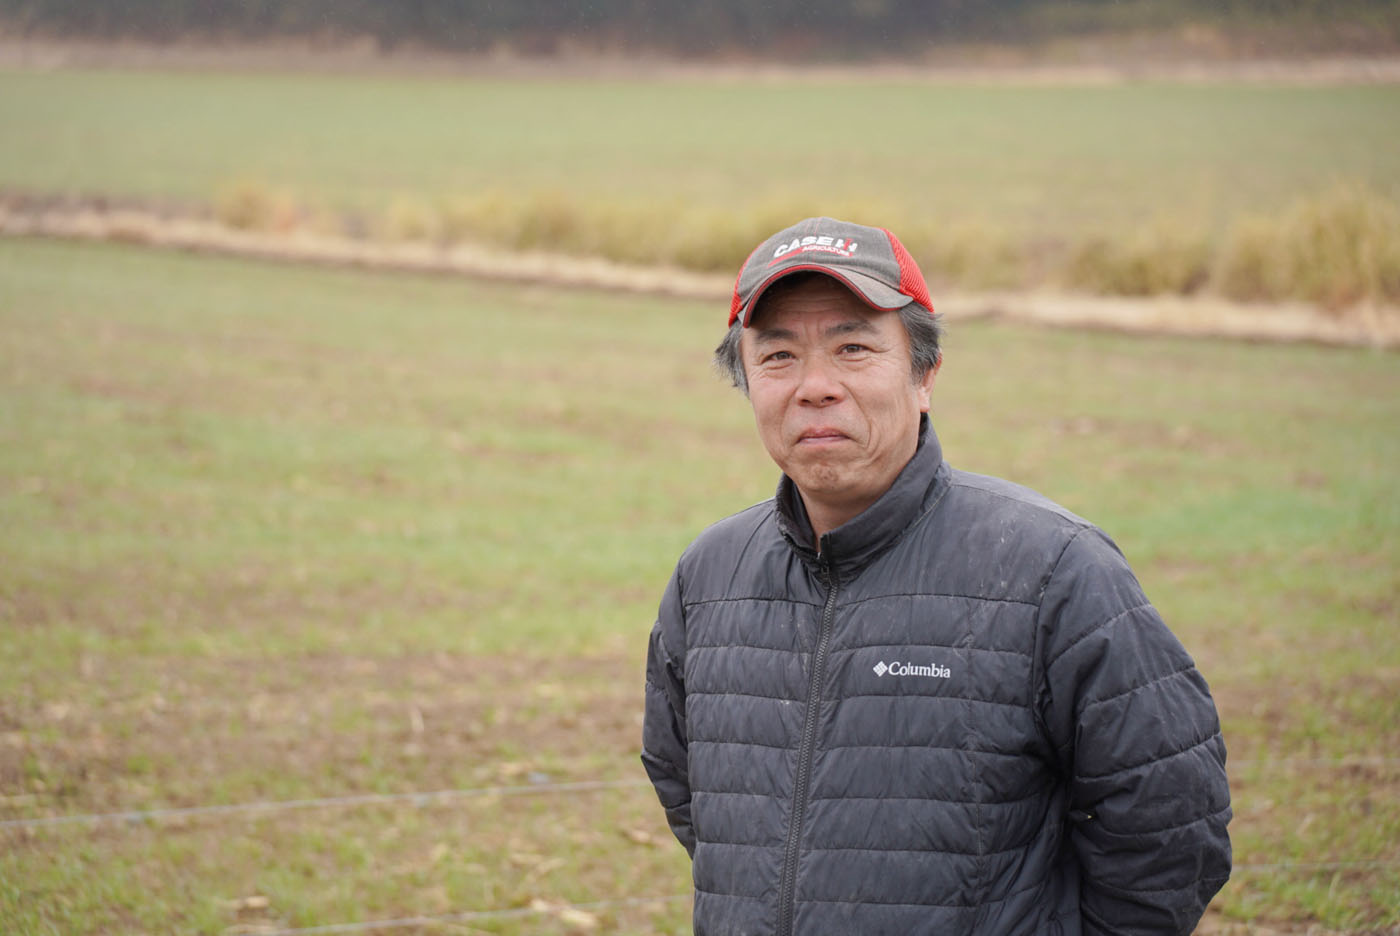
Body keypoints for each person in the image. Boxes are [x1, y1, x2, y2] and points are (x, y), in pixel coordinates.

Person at [641, 217, 1231, 936]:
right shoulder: (709, 576)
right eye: (778, 356)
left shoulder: (1054, 570)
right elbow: (692, 798)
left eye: (853, 348)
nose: (815, 387)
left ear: (924, 375)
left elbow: (1170, 827)